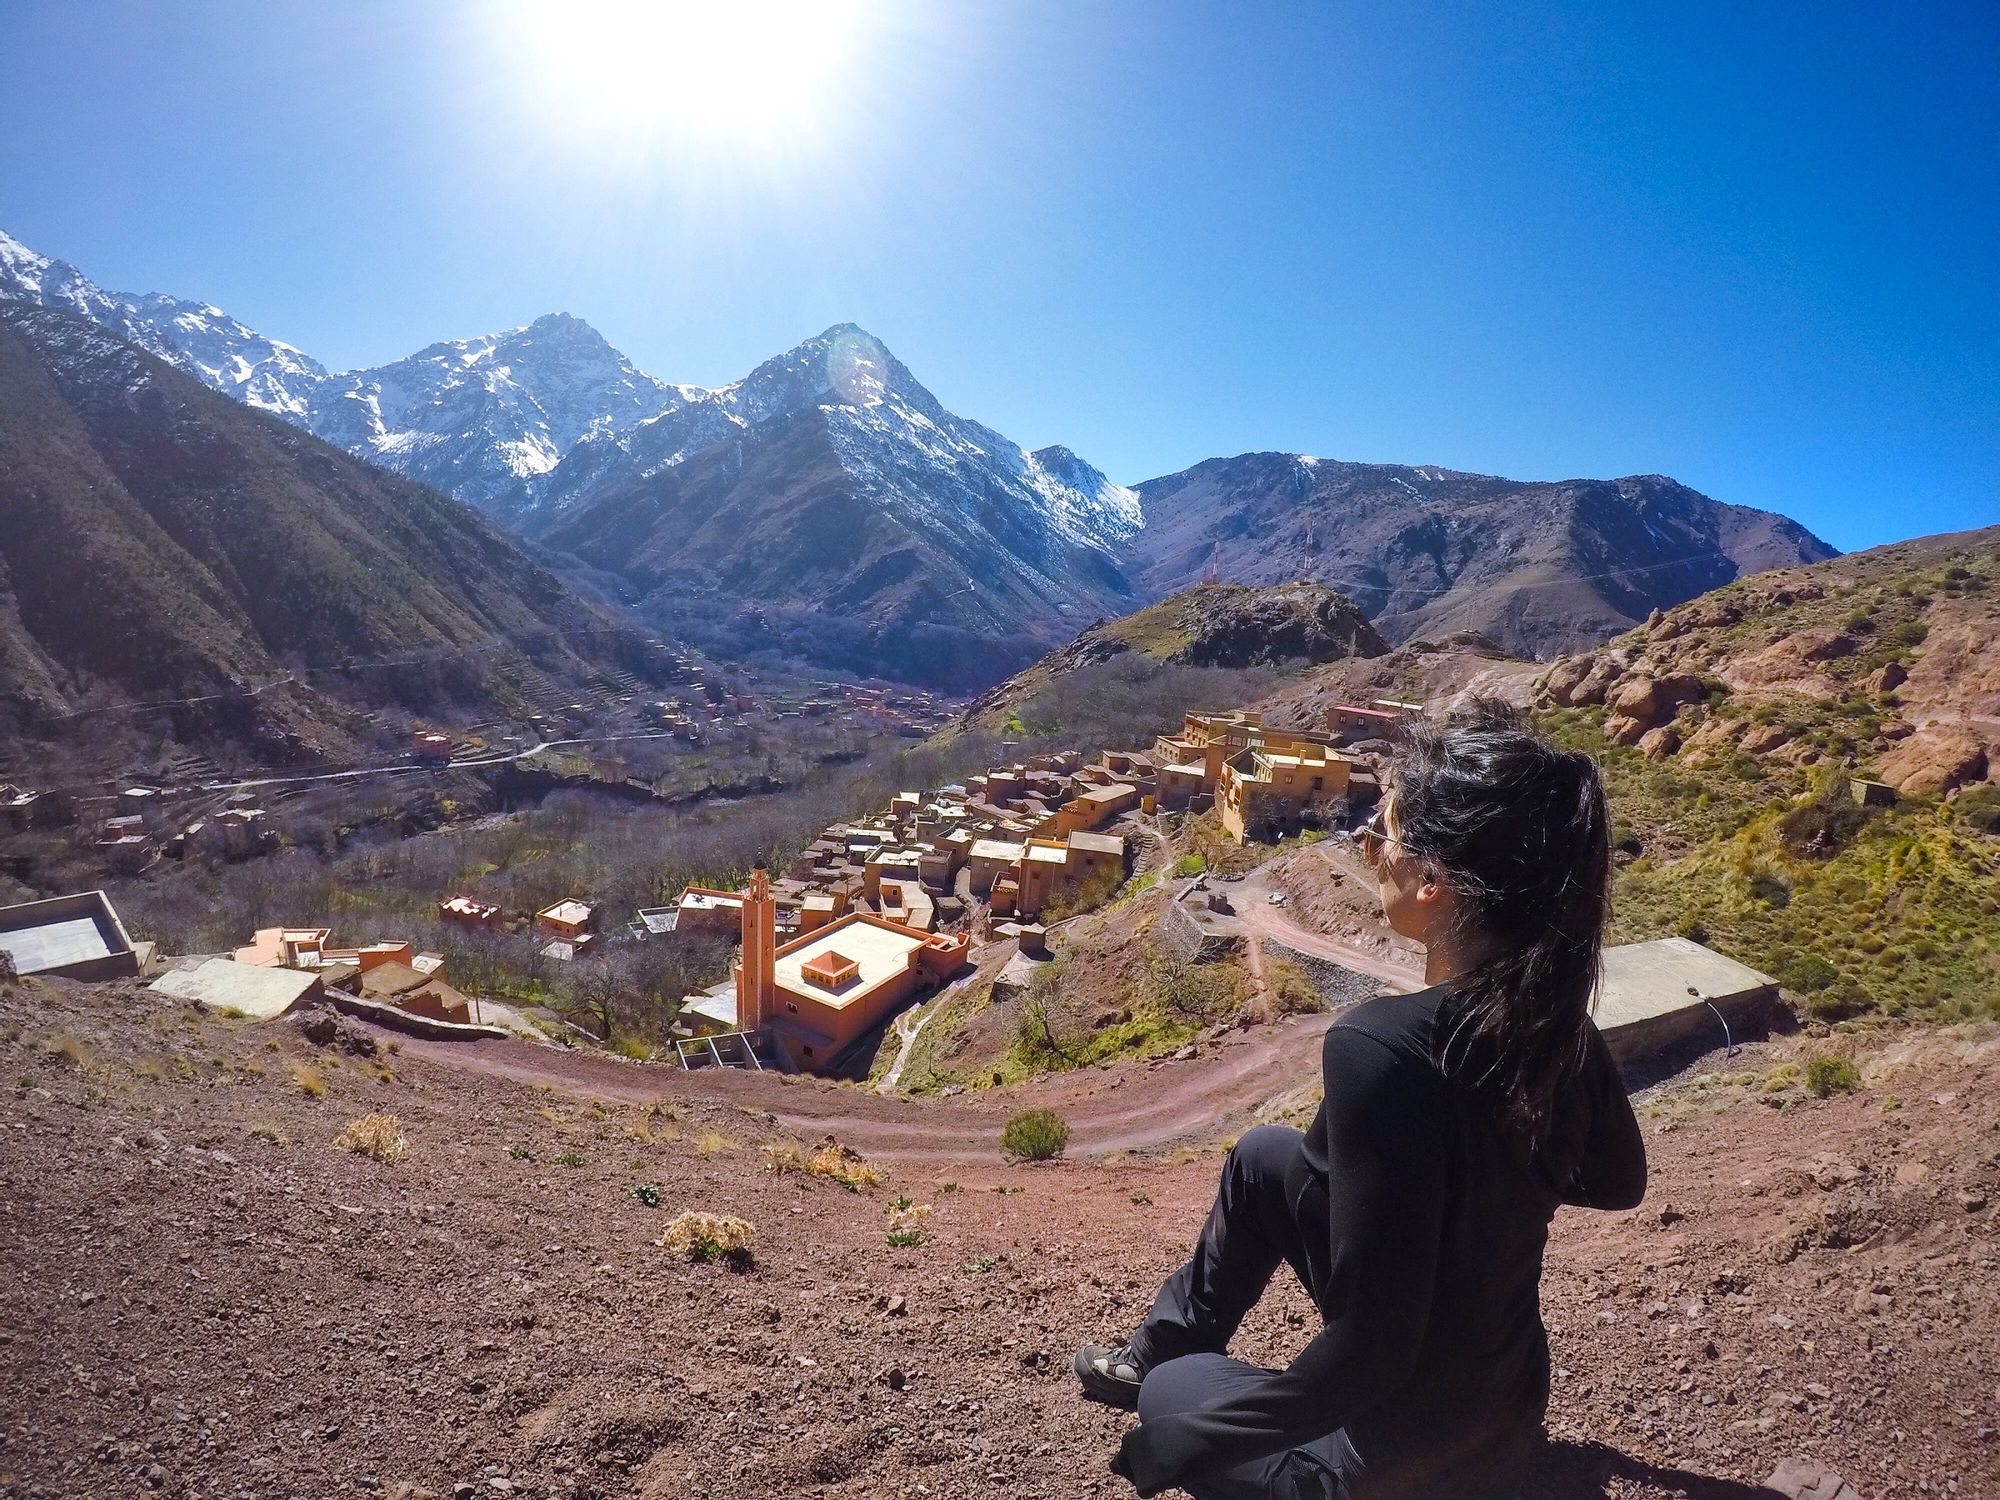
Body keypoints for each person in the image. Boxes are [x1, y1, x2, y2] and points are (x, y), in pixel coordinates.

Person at [1075, 699, 1647, 1499]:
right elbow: (1619, 1184)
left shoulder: (1377, 1046)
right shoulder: (1553, 1022)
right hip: (1507, 1400)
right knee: (1261, 1158)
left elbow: (1374, 1352)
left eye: (1385, 836)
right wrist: (1487, 1204)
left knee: (1176, 1398)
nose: (1372, 852)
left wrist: (1187, 1445)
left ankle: (1164, 1381)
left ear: (1434, 880)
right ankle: (1153, 1348)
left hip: (1411, 1462)